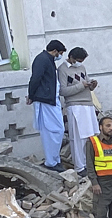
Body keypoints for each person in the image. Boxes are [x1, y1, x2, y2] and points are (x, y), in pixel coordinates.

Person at [58, 48, 99, 174]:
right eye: (78, 60)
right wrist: (82, 85)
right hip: (75, 105)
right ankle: (79, 166)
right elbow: (63, 91)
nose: (79, 63)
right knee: (78, 138)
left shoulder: (82, 67)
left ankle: (90, 164)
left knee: (91, 136)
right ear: (71, 57)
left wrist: (92, 85)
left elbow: (86, 83)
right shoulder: (62, 69)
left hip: (88, 104)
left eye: (82, 61)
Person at [29, 41, 66, 170]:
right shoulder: (42, 59)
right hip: (45, 100)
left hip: (50, 99)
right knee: (51, 131)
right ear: (55, 51)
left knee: (56, 130)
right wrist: (31, 95)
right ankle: (51, 162)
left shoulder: (48, 60)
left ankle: (55, 159)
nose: (60, 56)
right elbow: (35, 79)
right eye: (60, 53)